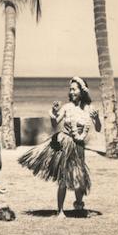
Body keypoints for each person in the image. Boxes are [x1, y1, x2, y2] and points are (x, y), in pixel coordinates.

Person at [18, 77, 100, 218]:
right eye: (70, 89)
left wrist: (97, 118)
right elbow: (55, 124)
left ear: (82, 90)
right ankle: (60, 210)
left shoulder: (89, 109)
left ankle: (79, 203)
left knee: (78, 176)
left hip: (79, 147)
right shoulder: (67, 107)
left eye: (75, 89)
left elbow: (98, 128)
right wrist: (54, 112)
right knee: (63, 177)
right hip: (64, 144)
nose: (72, 91)